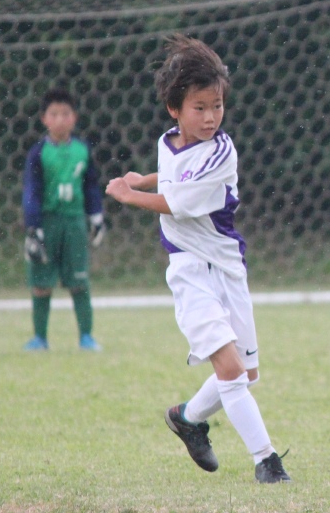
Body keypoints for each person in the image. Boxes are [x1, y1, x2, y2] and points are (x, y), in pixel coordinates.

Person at [104, 35, 291, 484]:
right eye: (200, 107)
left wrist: (130, 195)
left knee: (246, 374)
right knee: (231, 371)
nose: (210, 117)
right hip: (189, 271)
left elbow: (178, 202)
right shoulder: (167, 142)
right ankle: (267, 462)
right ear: (175, 109)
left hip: (227, 269)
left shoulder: (222, 152)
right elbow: (175, 173)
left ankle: (186, 418)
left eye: (217, 106)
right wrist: (145, 178)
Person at [21, 87, 106, 352]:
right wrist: (33, 227)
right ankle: (40, 338)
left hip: (74, 222)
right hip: (47, 222)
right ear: (44, 119)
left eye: (65, 113)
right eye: (54, 114)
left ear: (74, 117)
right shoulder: (38, 153)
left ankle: (86, 337)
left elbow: (91, 186)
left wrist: (96, 216)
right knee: (41, 283)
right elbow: (32, 191)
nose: (60, 119)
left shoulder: (83, 150)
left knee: (79, 282)